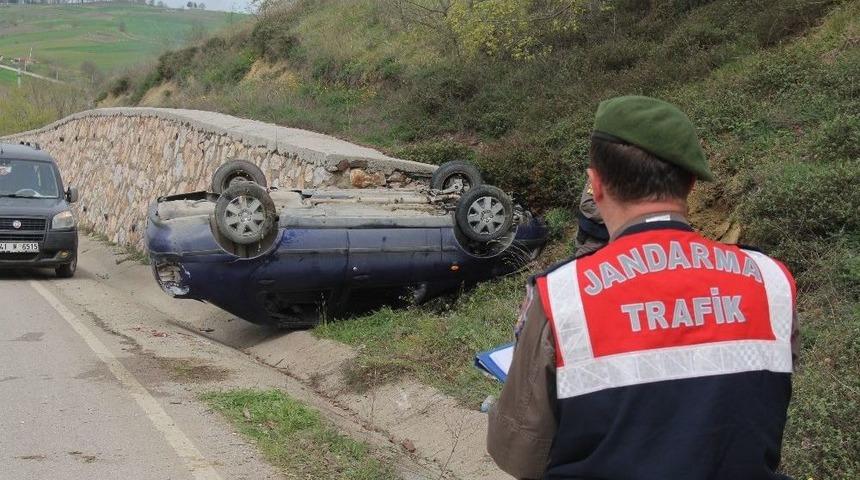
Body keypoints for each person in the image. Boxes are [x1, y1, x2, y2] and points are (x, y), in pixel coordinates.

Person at [487, 95, 798, 480]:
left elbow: (518, 455)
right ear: (692, 182)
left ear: (595, 185)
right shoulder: (771, 281)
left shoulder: (562, 295)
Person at [573, 179, 608, 257]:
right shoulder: (600, 174)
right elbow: (587, 204)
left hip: (610, 231)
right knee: (580, 258)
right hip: (596, 231)